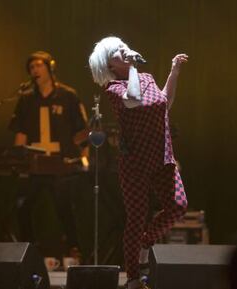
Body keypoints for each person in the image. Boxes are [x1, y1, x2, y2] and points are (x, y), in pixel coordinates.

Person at [89, 36, 189, 289]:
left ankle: (146, 241)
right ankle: (133, 278)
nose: (123, 51)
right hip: (134, 161)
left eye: (122, 47)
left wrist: (174, 71)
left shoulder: (146, 77)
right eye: (116, 52)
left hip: (162, 156)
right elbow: (133, 100)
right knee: (136, 217)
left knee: (178, 206)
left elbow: (165, 102)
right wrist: (133, 68)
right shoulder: (113, 89)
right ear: (110, 65)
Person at [9, 51, 89, 260]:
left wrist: (85, 158)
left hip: (60, 164)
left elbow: (81, 130)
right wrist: (18, 160)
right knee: (22, 204)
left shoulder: (67, 96)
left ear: (50, 68)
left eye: (38, 65)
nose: (35, 70)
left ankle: (74, 248)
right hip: (34, 164)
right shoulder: (26, 99)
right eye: (31, 67)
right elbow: (20, 133)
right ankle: (28, 250)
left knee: (65, 206)